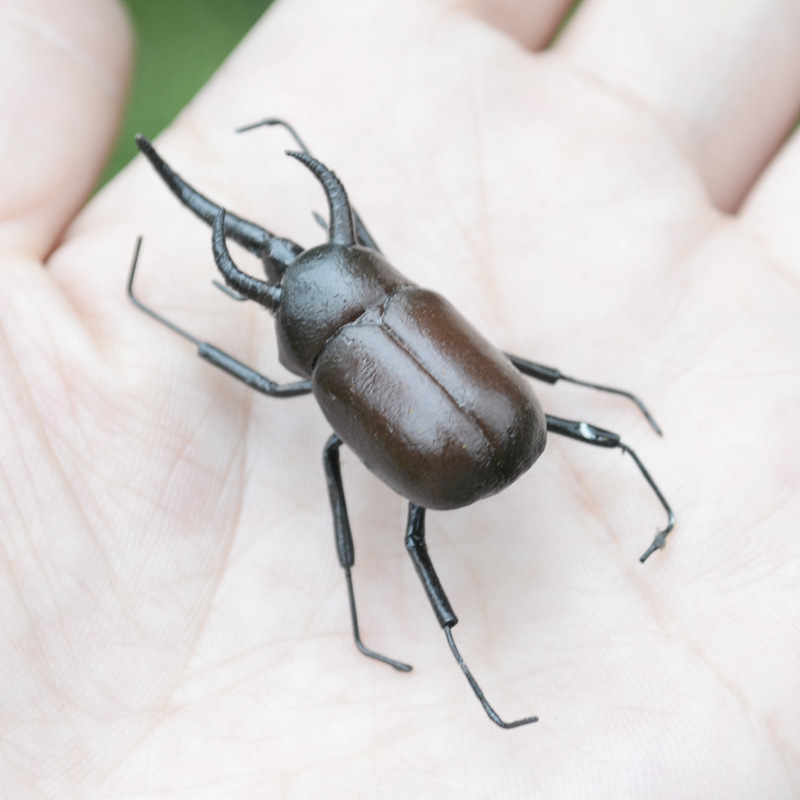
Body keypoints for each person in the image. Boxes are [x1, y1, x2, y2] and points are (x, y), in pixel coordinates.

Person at [2, 0, 798, 795]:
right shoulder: (416, 302)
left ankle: (467, 640)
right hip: (505, 426)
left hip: (461, 454)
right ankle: (626, 493)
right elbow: (509, 359)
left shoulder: (358, 347)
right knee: (509, 458)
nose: (278, 258)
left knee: (388, 514)